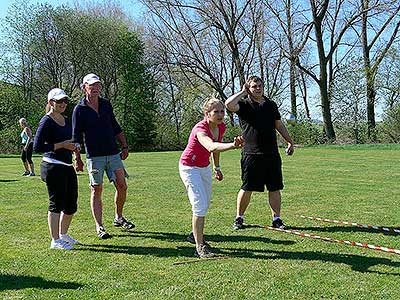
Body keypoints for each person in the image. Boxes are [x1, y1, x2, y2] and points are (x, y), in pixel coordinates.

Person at [225, 75, 294, 230]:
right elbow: (228, 104)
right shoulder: (243, 104)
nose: (258, 88)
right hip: (251, 154)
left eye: (260, 86)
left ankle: (276, 219)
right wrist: (243, 92)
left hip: (271, 154)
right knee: (247, 187)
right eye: (254, 86)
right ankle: (239, 218)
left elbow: (279, 124)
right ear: (248, 88)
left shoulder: (271, 105)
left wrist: (289, 141)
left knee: (274, 188)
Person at [179, 97, 244, 258]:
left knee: (205, 203)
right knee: (199, 205)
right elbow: (210, 145)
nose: (221, 114)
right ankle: (199, 247)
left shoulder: (221, 127)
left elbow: (215, 150)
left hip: (204, 167)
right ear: (207, 113)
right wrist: (233, 145)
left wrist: (217, 167)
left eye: (222, 111)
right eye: (216, 111)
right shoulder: (200, 129)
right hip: (189, 167)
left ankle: (193, 235)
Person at [72, 73, 134, 239]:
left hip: (113, 153)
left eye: (97, 85)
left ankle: (118, 217)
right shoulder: (79, 109)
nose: (95, 88)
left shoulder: (106, 104)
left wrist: (125, 145)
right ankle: (99, 227)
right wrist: (77, 158)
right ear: (84, 87)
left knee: (122, 186)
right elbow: (76, 136)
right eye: (91, 85)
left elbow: (115, 126)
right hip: (94, 156)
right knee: (96, 189)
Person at [33, 88, 80, 250]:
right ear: (51, 102)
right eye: (59, 101)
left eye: (65, 101)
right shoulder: (46, 121)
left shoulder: (66, 120)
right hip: (52, 166)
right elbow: (37, 147)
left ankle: (63, 235)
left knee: (71, 204)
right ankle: (55, 240)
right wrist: (63, 145)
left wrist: (74, 150)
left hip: (67, 167)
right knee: (56, 204)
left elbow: (71, 140)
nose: (63, 104)